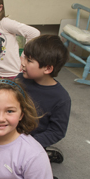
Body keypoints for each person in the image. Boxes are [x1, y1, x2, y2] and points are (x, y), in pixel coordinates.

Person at [17, 34, 71, 164]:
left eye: (29, 60)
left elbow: (57, 131)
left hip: (31, 141)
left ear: (47, 68)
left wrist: (29, 143)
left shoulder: (61, 98)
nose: (22, 62)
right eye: (24, 57)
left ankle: (44, 155)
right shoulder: (20, 79)